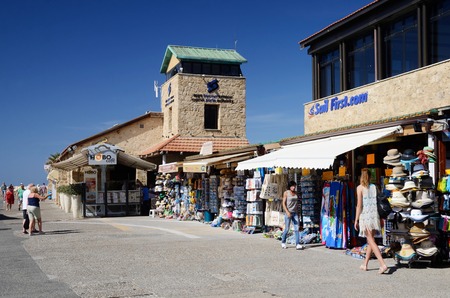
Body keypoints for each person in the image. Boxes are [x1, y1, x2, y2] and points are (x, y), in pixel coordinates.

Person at [354, 168, 389, 274]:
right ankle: (365, 264)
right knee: (371, 240)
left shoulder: (359, 188)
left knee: (371, 240)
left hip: (366, 216)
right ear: (369, 176)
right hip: (375, 216)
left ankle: (382, 264)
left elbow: (359, 205)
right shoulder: (374, 187)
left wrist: (356, 219)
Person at [281, 181, 304, 250]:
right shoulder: (286, 193)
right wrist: (287, 212)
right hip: (288, 213)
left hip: (295, 213)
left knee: (297, 229)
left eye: (294, 186)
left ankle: (298, 244)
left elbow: (297, 204)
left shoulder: (296, 193)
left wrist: (299, 213)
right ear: (289, 186)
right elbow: (283, 203)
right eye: (292, 186)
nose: (293, 187)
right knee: (287, 229)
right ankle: (283, 242)